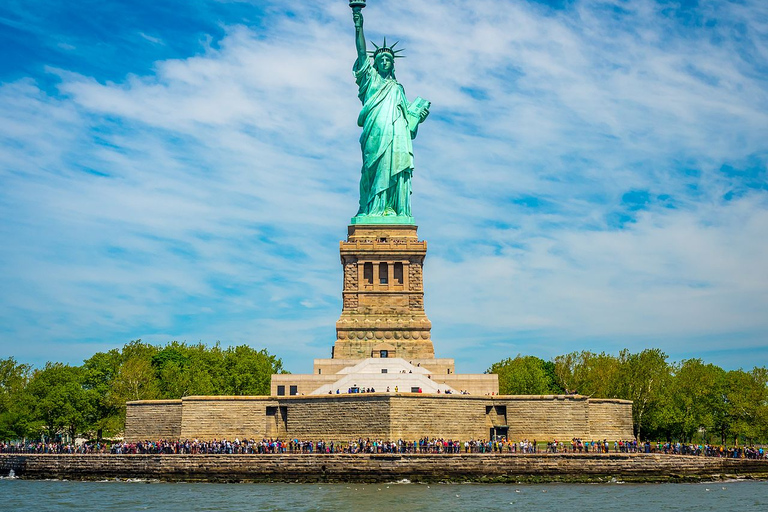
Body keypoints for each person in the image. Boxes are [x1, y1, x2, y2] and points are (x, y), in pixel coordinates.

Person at [351, 8, 429, 219]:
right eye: (381, 59)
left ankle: (390, 208)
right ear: (374, 63)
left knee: (393, 167)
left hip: (396, 136)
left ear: (392, 64)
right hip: (375, 132)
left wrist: (417, 118)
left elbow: (408, 121)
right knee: (372, 169)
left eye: (388, 59)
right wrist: (359, 25)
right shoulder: (369, 80)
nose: (384, 61)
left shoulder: (398, 88)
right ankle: (370, 208)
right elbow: (360, 52)